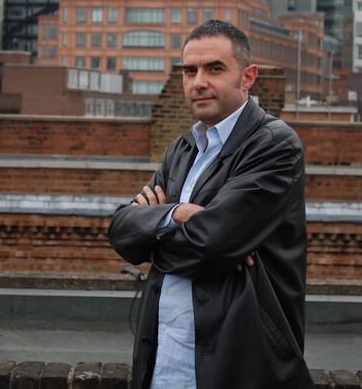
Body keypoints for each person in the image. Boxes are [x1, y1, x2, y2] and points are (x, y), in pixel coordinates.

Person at [109, 20, 314, 389]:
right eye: (190, 70)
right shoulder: (182, 148)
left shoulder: (273, 144)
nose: (198, 81)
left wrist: (153, 234)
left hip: (239, 365)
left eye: (214, 68)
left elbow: (209, 245)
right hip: (164, 364)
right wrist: (176, 214)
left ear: (247, 76)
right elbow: (121, 230)